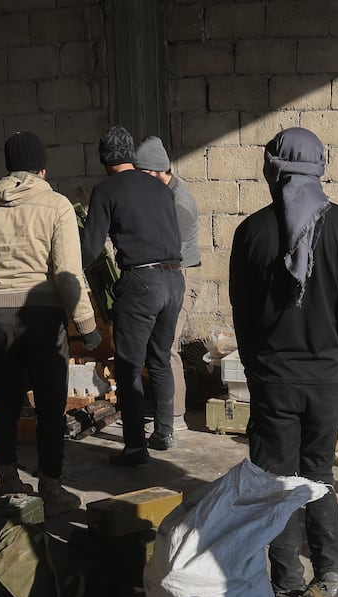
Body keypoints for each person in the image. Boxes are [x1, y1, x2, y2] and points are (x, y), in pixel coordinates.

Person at [229, 127, 338, 597]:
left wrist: (256, 367)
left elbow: (242, 312)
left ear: (274, 167)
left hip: (274, 377)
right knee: (319, 475)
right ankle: (330, 573)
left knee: (278, 482)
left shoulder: (250, 231)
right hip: (327, 376)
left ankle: (287, 580)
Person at [0, 131, 100, 514]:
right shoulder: (57, 206)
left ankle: (7, 482)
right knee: (50, 406)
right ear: (42, 168)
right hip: (43, 317)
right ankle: (52, 489)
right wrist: (86, 325)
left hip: (0, 317)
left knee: (5, 402)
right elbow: (68, 272)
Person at [80, 126, 183, 466]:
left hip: (141, 284)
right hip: (174, 280)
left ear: (104, 159)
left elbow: (91, 249)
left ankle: (135, 449)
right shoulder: (161, 188)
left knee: (128, 367)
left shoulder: (106, 190)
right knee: (161, 359)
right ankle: (164, 433)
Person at [134, 136, 200, 433]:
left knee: (167, 346)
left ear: (159, 170)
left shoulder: (180, 203)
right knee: (159, 346)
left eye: (145, 175)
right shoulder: (161, 194)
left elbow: (172, 245)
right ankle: (165, 411)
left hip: (181, 276)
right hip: (168, 275)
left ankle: (175, 416)